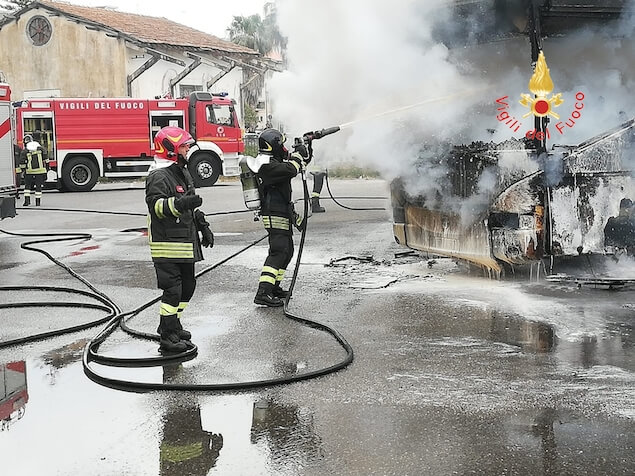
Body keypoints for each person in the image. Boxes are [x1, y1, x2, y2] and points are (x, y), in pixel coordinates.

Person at [145, 126, 215, 353]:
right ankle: (167, 334)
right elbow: (157, 208)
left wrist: (203, 225)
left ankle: (174, 323)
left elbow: (191, 202)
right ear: (171, 149)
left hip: (185, 242)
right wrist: (182, 204)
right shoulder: (158, 175)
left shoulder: (181, 172)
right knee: (173, 290)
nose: (188, 150)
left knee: (188, 287)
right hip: (166, 245)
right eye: (184, 146)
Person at [248, 128, 310, 307]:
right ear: (273, 145)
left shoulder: (272, 161)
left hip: (280, 210)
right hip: (273, 212)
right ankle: (263, 291)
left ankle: (273, 286)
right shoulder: (266, 164)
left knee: (287, 250)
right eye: (281, 144)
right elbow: (291, 169)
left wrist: (305, 150)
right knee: (279, 251)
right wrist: (298, 156)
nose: (283, 147)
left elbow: (295, 165)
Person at [18, 134, 49, 206]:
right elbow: (46, 160)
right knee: (38, 187)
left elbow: (22, 162)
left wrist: (23, 171)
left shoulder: (25, 151)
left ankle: (27, 202)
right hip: (40, 171)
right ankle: (38, 203)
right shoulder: (41, 149)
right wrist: (47, 169)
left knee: (27, 187)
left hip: (29, 172)